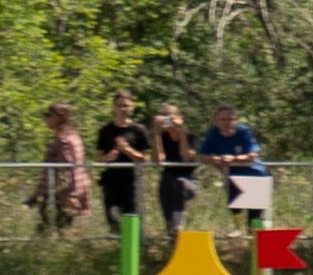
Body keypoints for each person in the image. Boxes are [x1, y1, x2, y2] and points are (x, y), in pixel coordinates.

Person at [195, 105, 265, 227]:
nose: (226, 123)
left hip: (254, 174)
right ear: (216, 121)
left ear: (235, 119)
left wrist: (233, 159)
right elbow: (201, 156)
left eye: (230, 119)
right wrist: (213, 159)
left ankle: (256, 235)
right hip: (232, 177)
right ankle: (237, 230)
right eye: (223, 119)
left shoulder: (243, 132)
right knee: (235, 207)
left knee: (255, 213)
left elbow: (252, 155)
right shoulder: (213, 134)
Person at [31, 103, 90, 231]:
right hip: (60, 191)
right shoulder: (71, 136)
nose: (46, 118)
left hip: (62, 193)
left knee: (56, 227)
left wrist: (71, 194)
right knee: (58, 227)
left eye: (49, 115)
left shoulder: (64, 140)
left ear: (60, 117)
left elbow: (69, 168)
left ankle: (73, 242)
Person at [94, 92, 149, 231]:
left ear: (132, 107)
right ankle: (115, 239)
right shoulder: (106, 130)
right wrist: (109, 157)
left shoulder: (138, 130)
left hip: (132, 180)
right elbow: (98, 157)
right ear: (114, 107)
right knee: (113, 218)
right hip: (111, 180)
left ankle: (132, 242)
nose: (123, 109)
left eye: (126, 106)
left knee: (131, 219)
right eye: (120, 106)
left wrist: (127, 150)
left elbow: (145, 157)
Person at [152, 104, 196, 235]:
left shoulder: (190, 136)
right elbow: (159, 159)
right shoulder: (162, 138)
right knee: (166, 184)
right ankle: (171, 229)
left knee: (178, 184)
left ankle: (178, 224)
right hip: (168, 181)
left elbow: (185, 157)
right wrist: (156, 133)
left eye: (169, 116)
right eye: (163, 116)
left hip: (188, 181)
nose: (167, 120)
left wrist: (181, 132)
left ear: (179, 117)